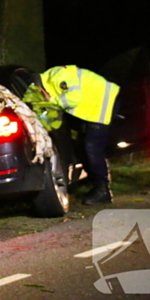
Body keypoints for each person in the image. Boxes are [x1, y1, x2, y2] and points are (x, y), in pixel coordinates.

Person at [33, 65, 120, 205]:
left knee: (91, 148)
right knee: (85, 147)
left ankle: (102, 190)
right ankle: (97, 186)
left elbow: (74, 98)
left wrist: (52, 100)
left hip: (102, 103)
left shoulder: (58, 78)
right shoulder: (53, 76)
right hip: (97, 103)